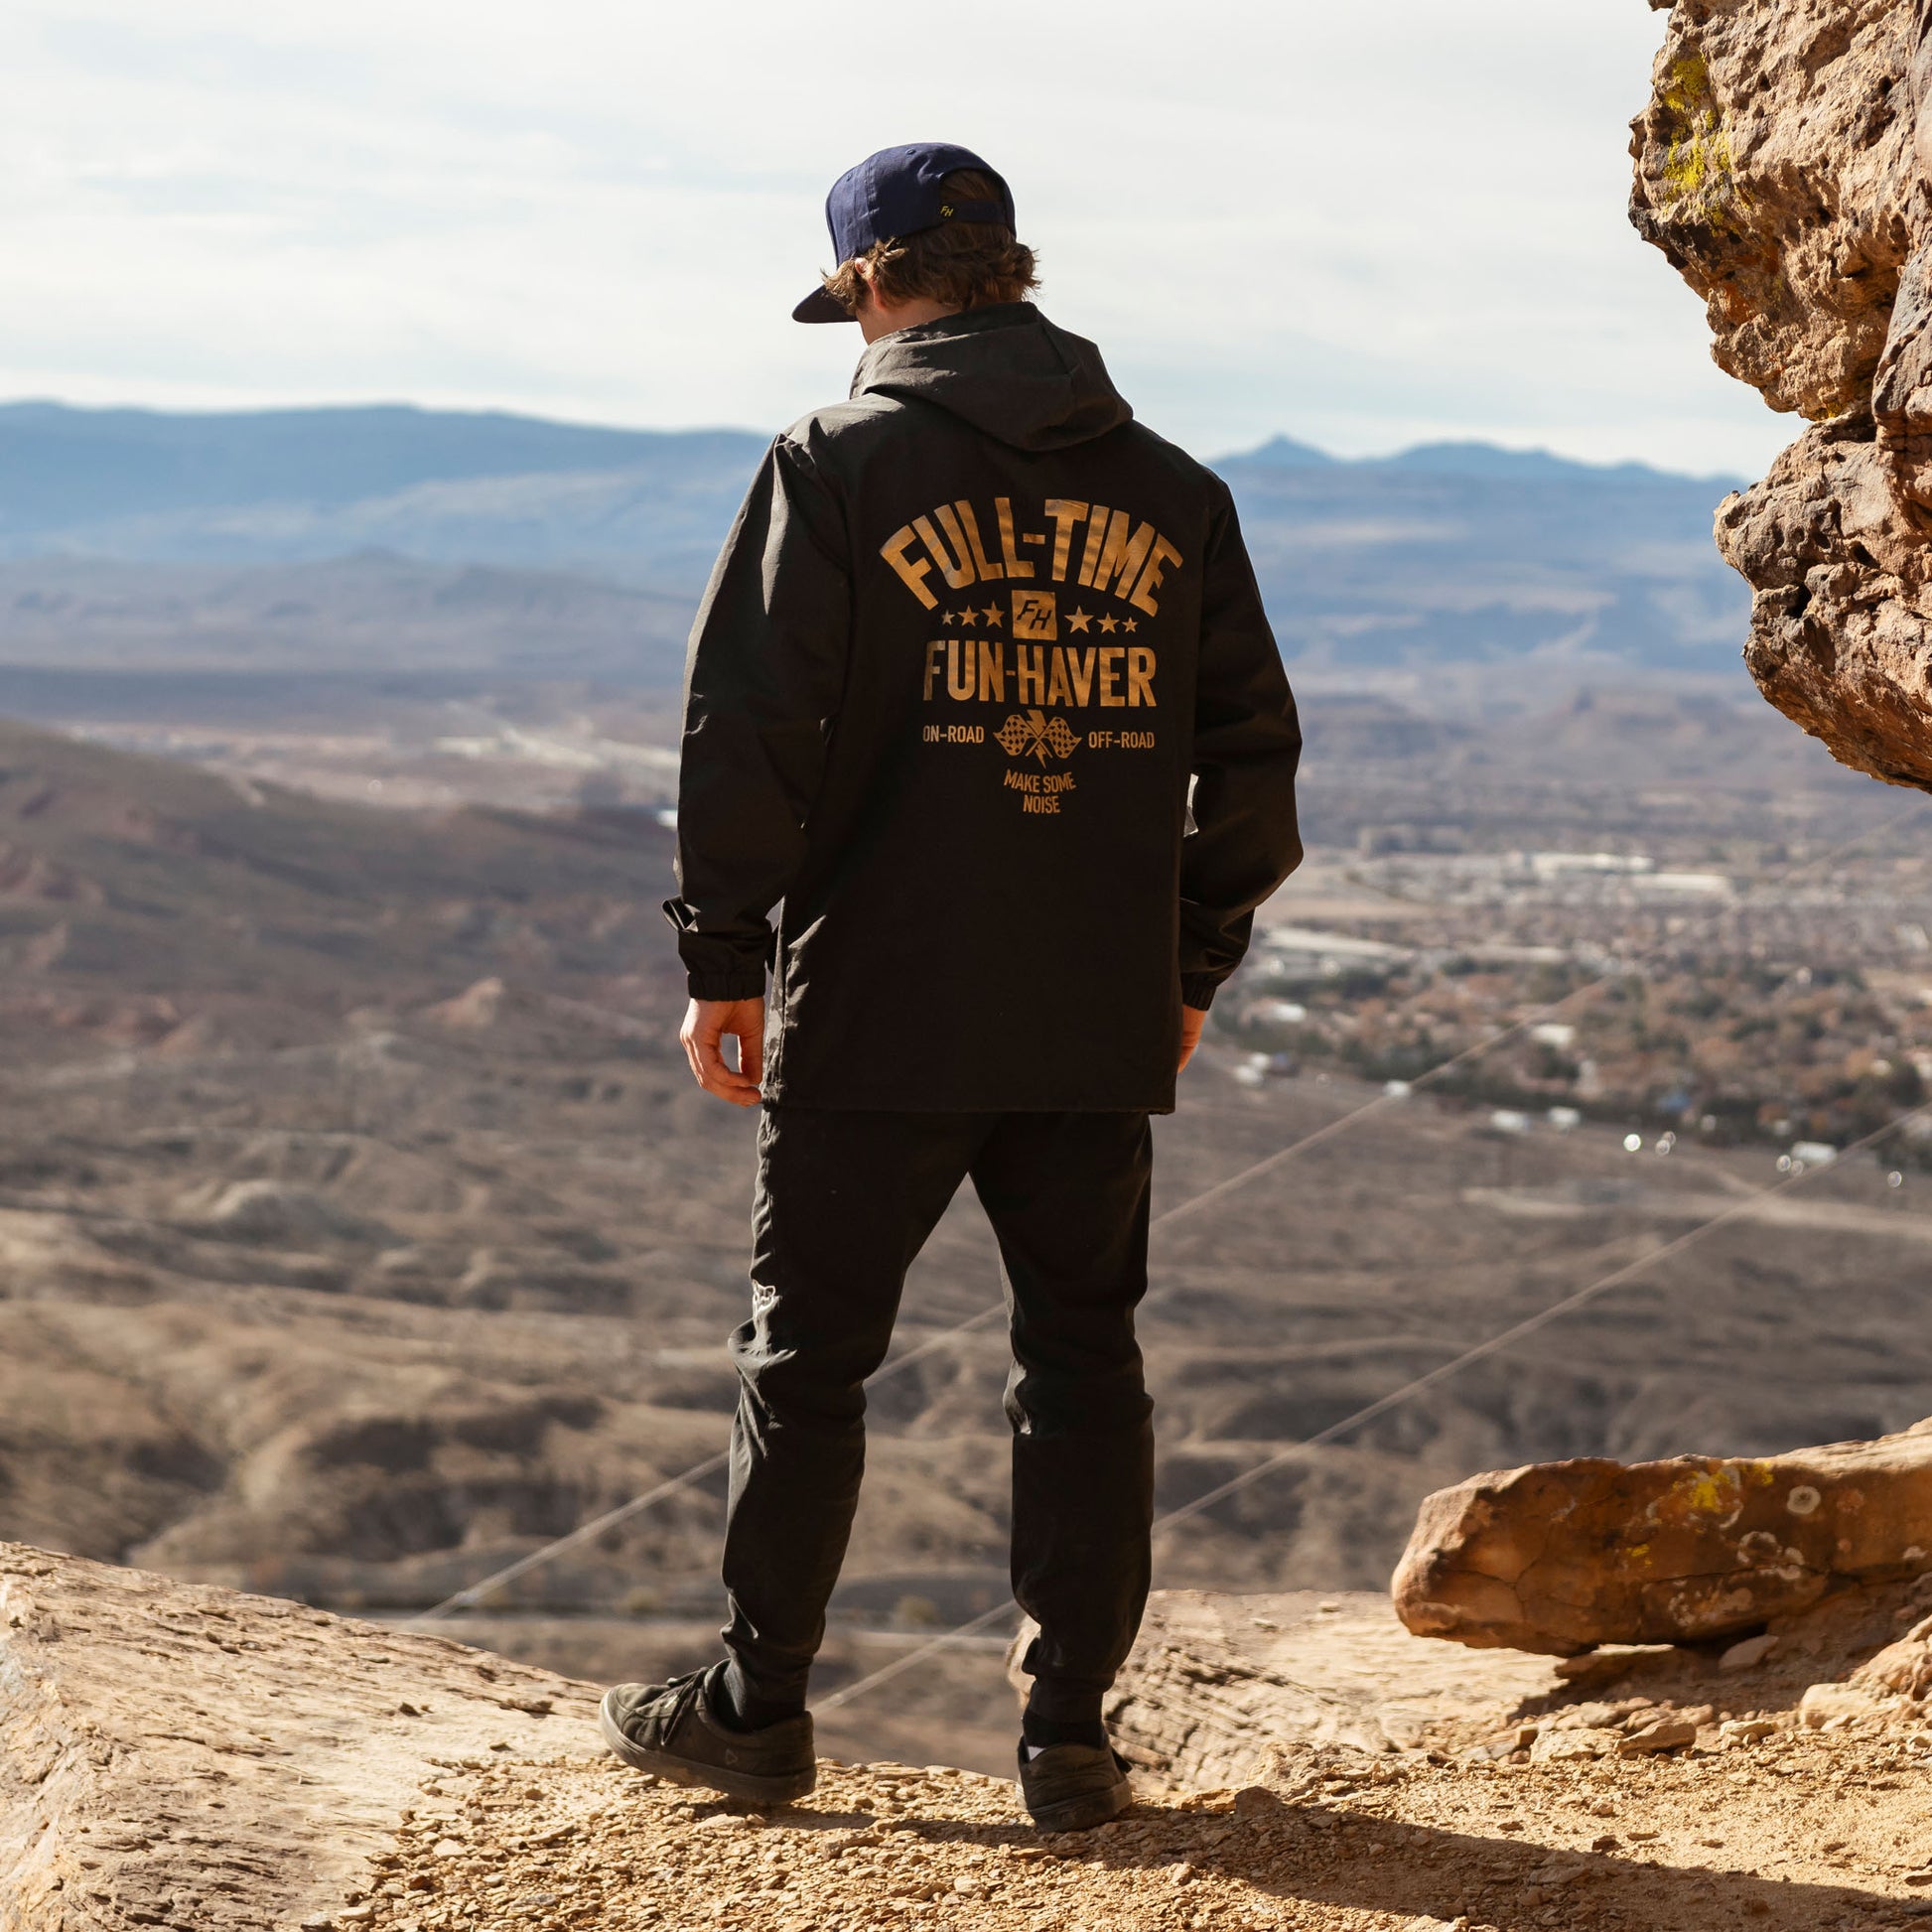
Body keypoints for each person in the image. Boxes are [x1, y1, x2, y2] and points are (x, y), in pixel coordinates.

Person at [600, 141, 1302, 1831]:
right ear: (1013, 271)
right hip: (1088, 1009)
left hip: (880, 1000)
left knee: (809, 1359)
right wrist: (1184, 966)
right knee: (1081, 1363)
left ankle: (757, 1707)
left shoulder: (834, 461)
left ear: (869, 286)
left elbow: (746, 726)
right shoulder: (1175, 492)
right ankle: (1070, 1738)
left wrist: (721, 957)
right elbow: (1253, 765)